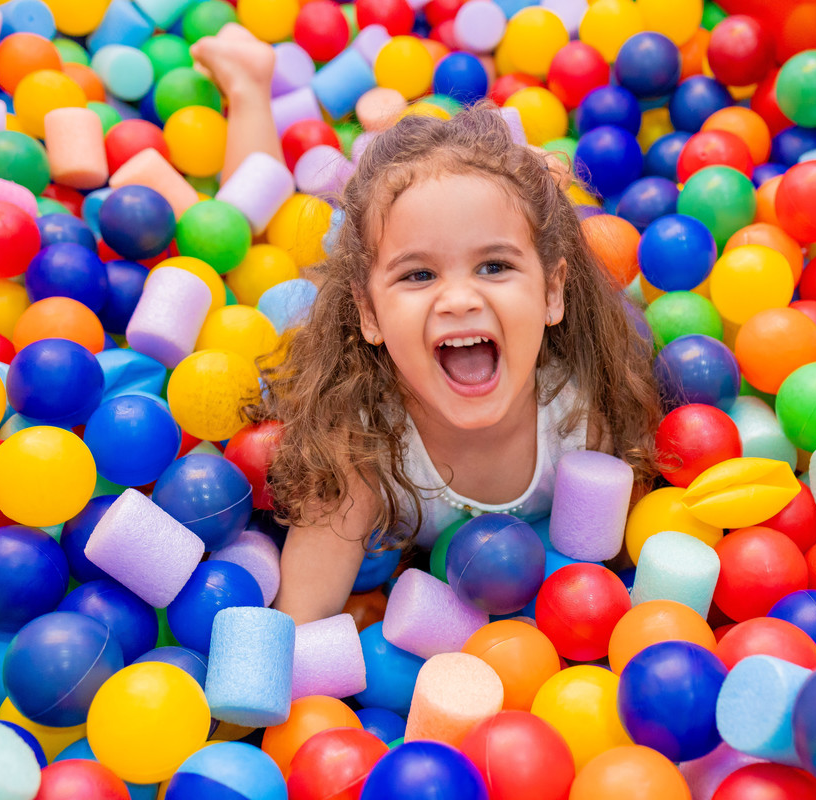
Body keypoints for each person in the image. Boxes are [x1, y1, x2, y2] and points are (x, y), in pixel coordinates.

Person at [194, 27, 662, 625]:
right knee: (243, 239)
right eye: (419, 276)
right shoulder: (361, 446)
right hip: (311, 301)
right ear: (368, 315)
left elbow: (618, 583)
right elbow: (298, 621)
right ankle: (250, 87)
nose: (459, 298)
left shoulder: (584, 415)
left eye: (494, 266)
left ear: (551, 291)